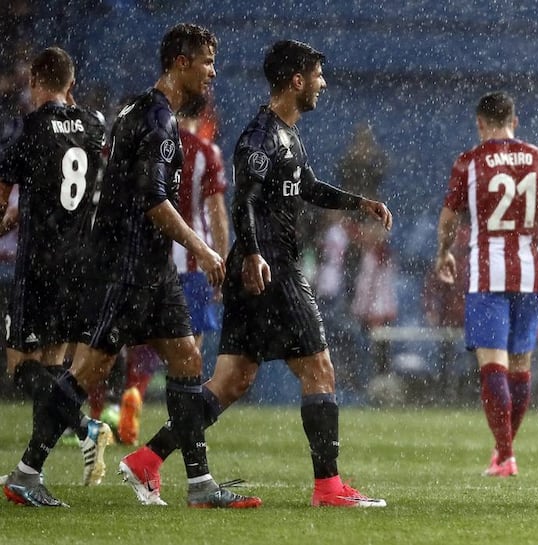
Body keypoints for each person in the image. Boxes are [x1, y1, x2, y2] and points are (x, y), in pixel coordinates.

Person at [119, 39, 391, 508]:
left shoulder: (287, 134)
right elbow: (242, 197)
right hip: (272, 268)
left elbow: (305, 186)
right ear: (296, 80)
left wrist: (358, 203)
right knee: (320, 370)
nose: (323, 84)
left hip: (259, 270)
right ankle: (328, 488)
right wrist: (252, 256)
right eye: (317, 75)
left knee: (231, 382)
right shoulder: (260, 136)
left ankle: (147, 459)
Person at [3, 23, 261, 509]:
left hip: (149, 267)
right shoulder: (159, 122)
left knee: (185, 358)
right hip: (128, 267)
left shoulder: (133, 108)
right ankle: (25, 472)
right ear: (181, 62)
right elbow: (152, 201)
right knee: (88, 369)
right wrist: (202, 248)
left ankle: (200, 485)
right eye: (206, 62)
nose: (213, 72)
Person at [435, 91, 538, 477]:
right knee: (520, 367)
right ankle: (505, 453)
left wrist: (443, 252)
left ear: (481, 124)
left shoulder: (469, 162)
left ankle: (504, 454)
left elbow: (449, 217)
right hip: (530, 273)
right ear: (515, 122)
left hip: (487, 273)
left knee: (493, 367)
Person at [0, 47, 114, 501]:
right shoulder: (94, 124)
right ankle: (30, 475)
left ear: (35, 81)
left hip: (40, 264)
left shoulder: (30, 127)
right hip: (80, 264)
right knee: (52, 367)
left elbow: (4, 192)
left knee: (19, 367)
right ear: (72, 83)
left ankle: (87, 428)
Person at [107, 94, 231, 446]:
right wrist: (219, 256)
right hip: (194, 263)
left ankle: (134, 392)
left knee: (146, 342)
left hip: (152, 259)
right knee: (190, 350)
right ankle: (182, 425)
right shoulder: (207, 152)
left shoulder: (154, 142)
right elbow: (217, 214)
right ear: (205, 116)